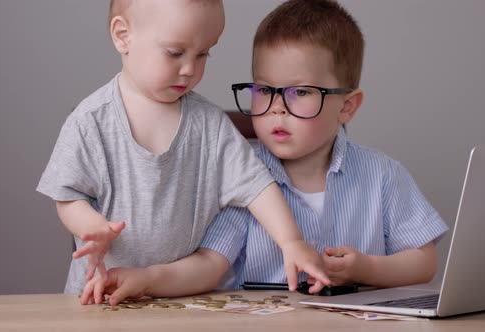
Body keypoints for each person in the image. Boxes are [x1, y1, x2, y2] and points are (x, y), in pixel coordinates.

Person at [80, 0, 449, 306]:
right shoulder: (242, 178)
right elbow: (209, 264)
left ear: (347, 106)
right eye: (264, 90)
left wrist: (365, 269)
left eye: (300, 92)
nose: (276, 108)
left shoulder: (382, 175)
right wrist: (147, 278)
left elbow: (423, 262)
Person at [36, 0, 328, 299]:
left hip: (180, 296)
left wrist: (292, 242)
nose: (190, 68)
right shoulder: (91, 121)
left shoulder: (210, 124)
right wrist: (90, 225)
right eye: (174, 53)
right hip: (99, 294)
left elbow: (258, 187)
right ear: (123, 36)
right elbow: (68, 197)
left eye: (203, 53)